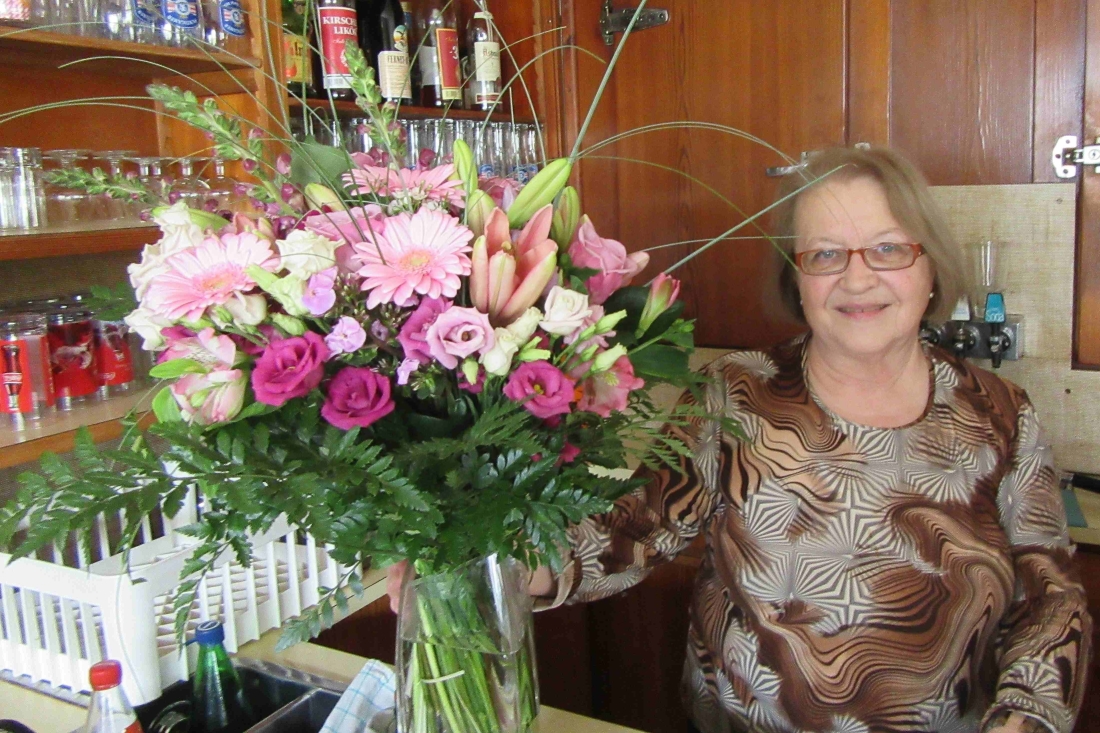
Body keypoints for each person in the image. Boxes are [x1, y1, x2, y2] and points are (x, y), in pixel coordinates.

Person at [390, 146, 1092, 733]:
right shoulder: (736, 392)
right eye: (824, 255)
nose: (857, 277)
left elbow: (1051, 601)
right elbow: (632, 528)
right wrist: (490, 570)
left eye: (887, 249)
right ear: (795, 277)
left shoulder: (1000, 412)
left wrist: (1023, 723)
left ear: (930, 265)